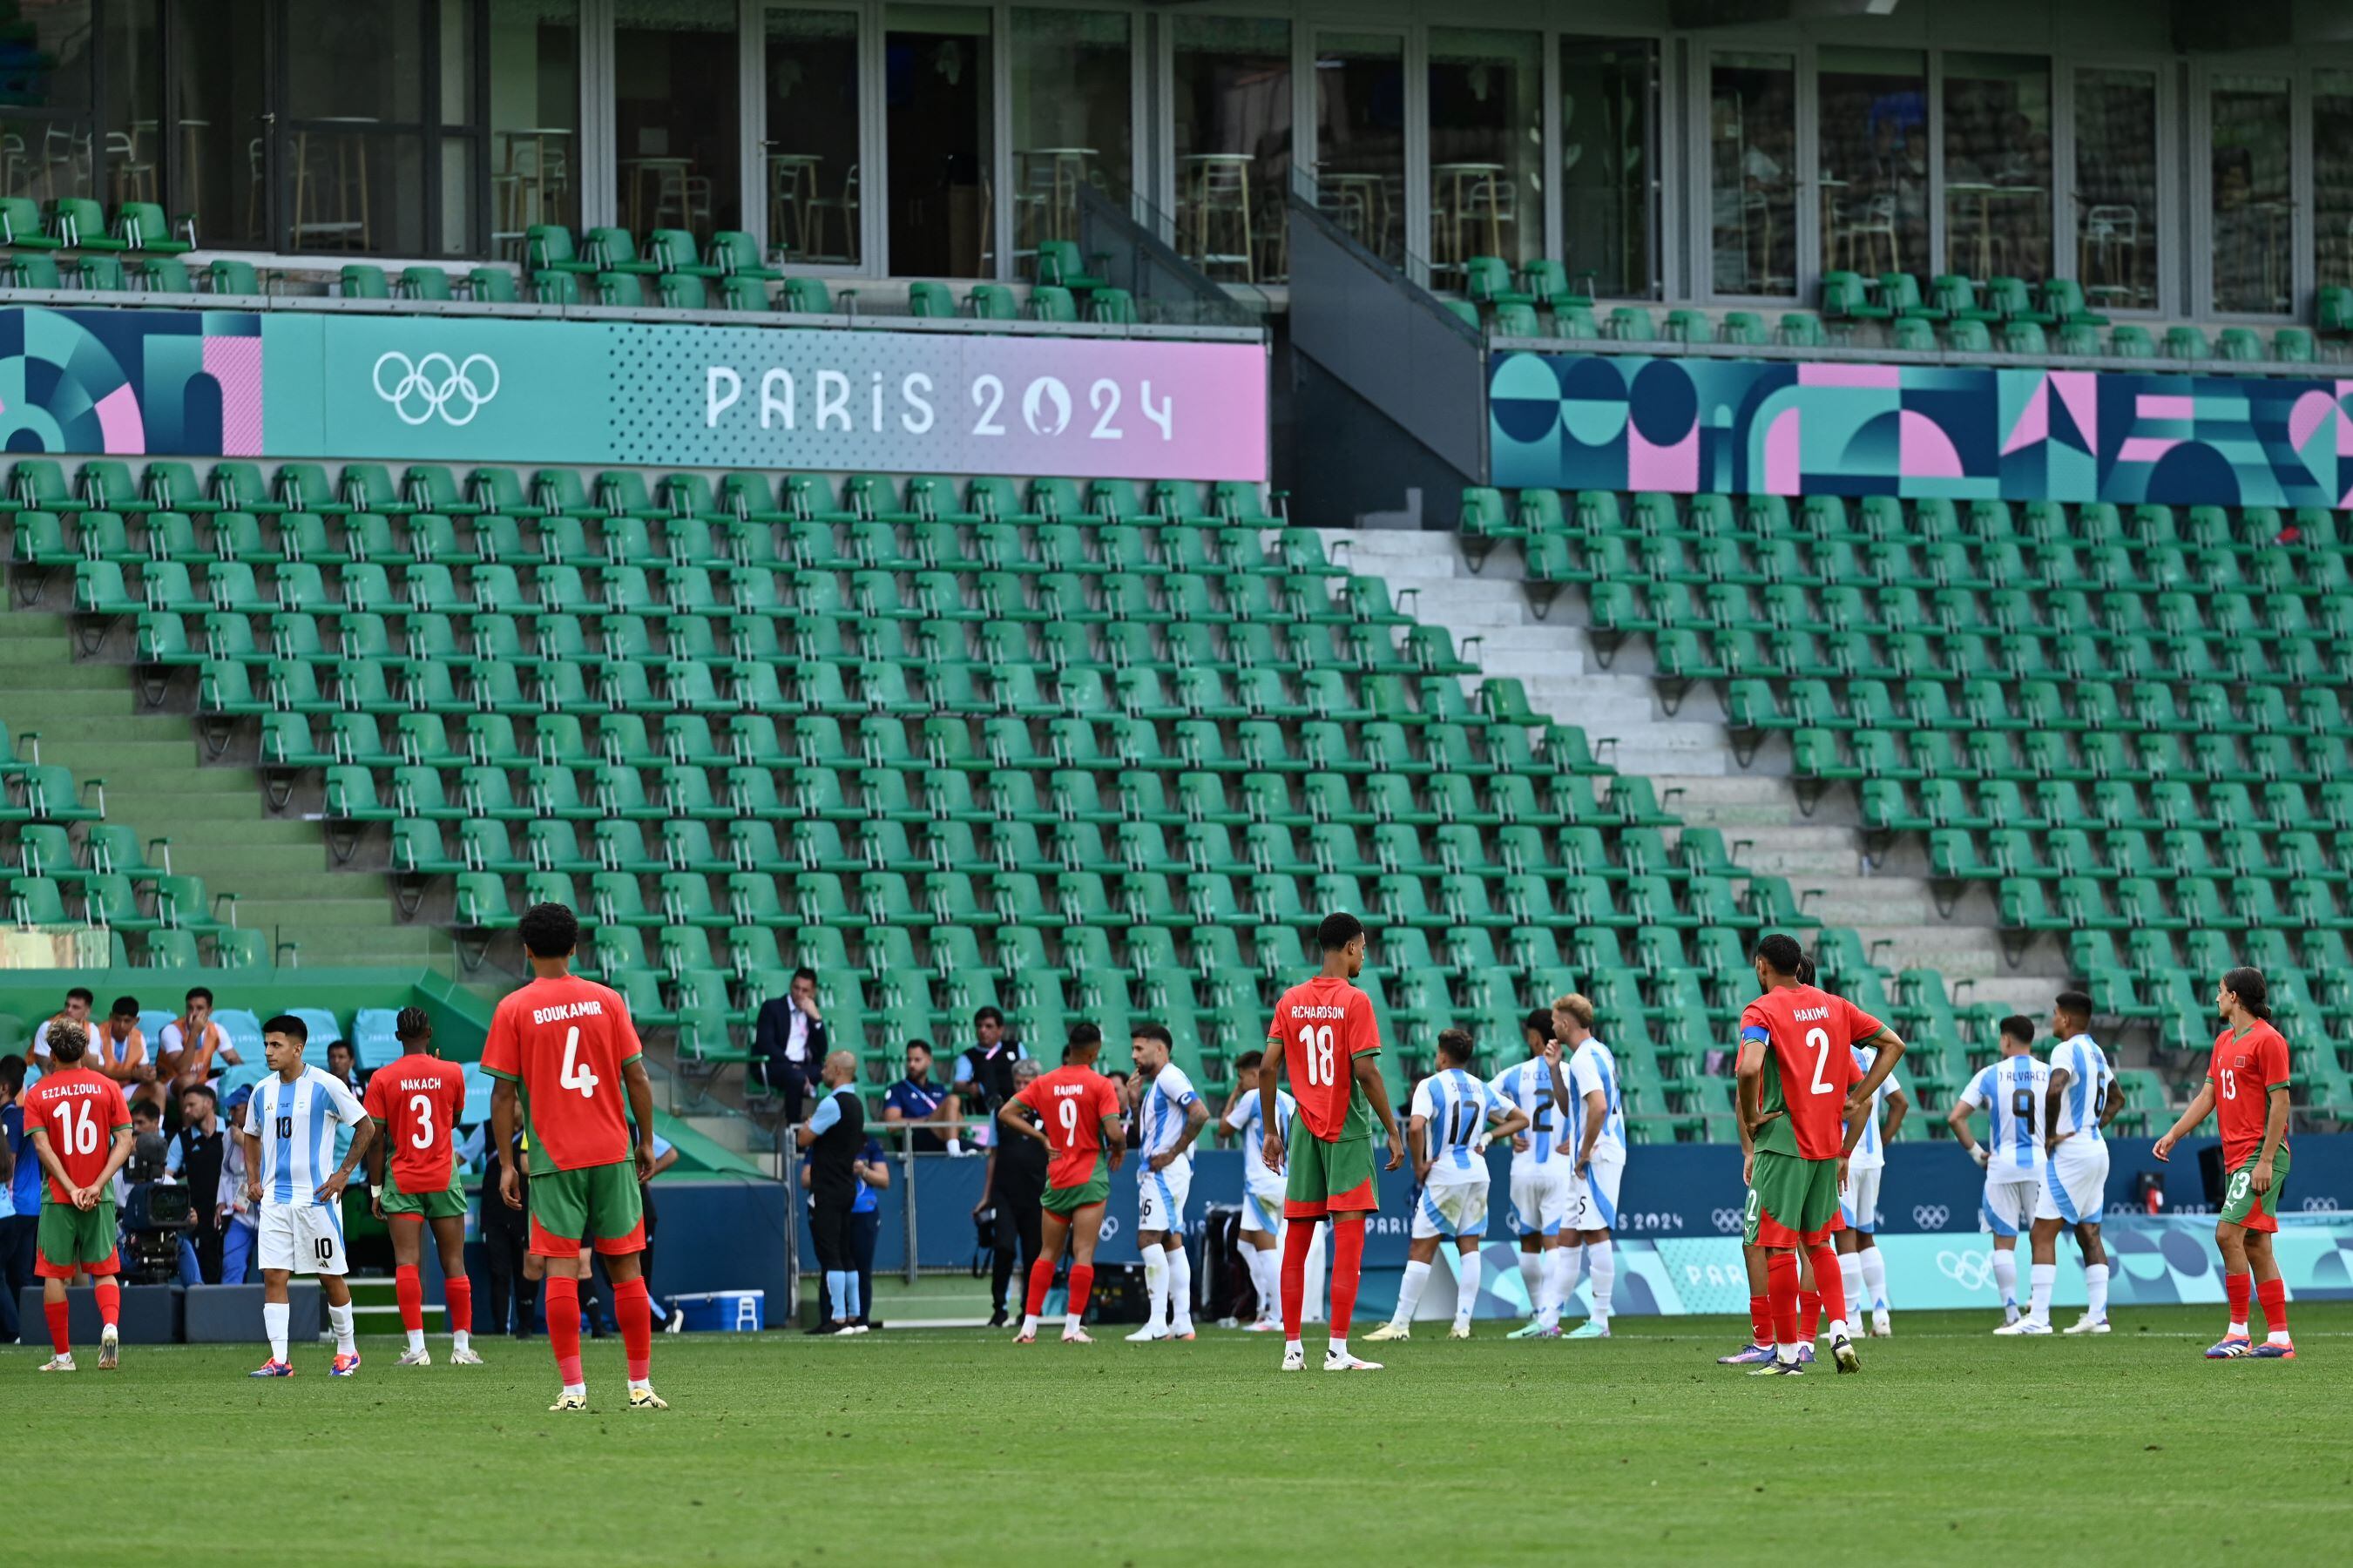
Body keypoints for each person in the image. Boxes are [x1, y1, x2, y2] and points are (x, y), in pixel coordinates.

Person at [485, 901, 666, 1409]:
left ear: (526, 951)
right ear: (573, 947)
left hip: (554, 1161)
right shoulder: (607, 1001)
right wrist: (646, 1140)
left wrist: (505, 1163)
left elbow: (502, 1096)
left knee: (561, 1270)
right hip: (611, 1152)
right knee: (626, 1268)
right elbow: (638, 1075)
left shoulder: (514, 1008)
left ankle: (573, 1391)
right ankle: (640, 1386)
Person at [1736, 932, 1905, 1376]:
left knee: (1776, 1248)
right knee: (1820, 1243)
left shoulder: (1761, 1010)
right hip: (1827, 1145)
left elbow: (1749, 1066)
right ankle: (1841, 1332)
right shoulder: (1836, 1006)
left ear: (1761, 966)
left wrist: (1753, 1117)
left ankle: (1788, 1355)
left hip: (1784, 1143)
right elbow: (1894, 1044)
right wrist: (1857, 1098)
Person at [1261, 911, 1406, 1374]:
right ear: (1349, 948)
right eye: (1363, 947)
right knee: (1348, 1241)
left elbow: (1267, 1068)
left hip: (1303, 1127)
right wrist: (1393, 1128)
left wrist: (1269, 1130)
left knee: (1297, 1240)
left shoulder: (1290, 999)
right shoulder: (1355, 1001)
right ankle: (1337, 1351)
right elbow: (1365, 1070)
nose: (1364, 955)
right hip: (1345, 1128)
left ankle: (1291, 1350)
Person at [2155, 966, 2296, 1360]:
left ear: (2235, 997)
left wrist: (2266, 1160)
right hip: (2237, 1157)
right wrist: (2174, 1133)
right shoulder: (2223, 1043)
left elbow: (2281, 1102)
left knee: (2226, 1235)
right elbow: (2207, 1097)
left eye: (2220, 991)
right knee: (2256, 1244)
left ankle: (2238, 1332)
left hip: (2259, 1155)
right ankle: (2280, 1339)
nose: (2216, 998)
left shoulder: (2269, 1041)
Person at [1369, 1028, 1526, 1342]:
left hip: (1446, 1171)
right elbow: (1521, 1118)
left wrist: (1420, 1164)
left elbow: (1415, 1127)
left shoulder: (1431, 1085)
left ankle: (1400, 1324)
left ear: (1442, 1055)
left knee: (1421, 1246)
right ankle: (1462, 1324)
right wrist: (1489, 1136)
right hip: (1477, 1172)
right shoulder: (1480, 1087)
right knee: (1469, 1245)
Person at [240, 1013, 375, 1377]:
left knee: (329, 1277)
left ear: (297, 1048)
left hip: (316, 1201)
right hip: (274, 1203)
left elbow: (366, 1126)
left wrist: (343, 1174)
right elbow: (250, 1134)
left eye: (276, 1045)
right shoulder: (262, 1090)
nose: (269, 1051)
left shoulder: (325, 1085)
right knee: (273, 1276)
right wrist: (254, 1178)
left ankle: (347, 1351)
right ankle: (280, 1360)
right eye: (266, 1044)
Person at [363, 1007, 479, 1368]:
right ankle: (461, 1348)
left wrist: (375, 1190)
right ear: (429, 1032)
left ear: (398, 1037)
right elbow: (454, 1119)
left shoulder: (382, 1078)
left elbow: (375, 1140)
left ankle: (417, 1350)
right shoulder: (452, 1072)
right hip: (444, 1175)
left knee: (406, 1264)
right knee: (454, 1262)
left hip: (404, 1177)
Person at [999, 1023, 1126, 1344]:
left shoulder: (1045, 1083)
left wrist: (1041, 1137)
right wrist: (1119, 1147)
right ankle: (1071, 1327)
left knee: (1047, 1252)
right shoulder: (1099, 1084)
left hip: (1057, 1178)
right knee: (1082, 1252)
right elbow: (1113, 1133)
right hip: (1089, 1178)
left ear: (1069, 1048)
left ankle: (1028, 1326)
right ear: (1094, 1052)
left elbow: (1006, 1112)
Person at [21, 1020, 135, 1371]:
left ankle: (63, 1356)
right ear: (84, 1051)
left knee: (55, 1275)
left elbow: (42, 1148)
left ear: (52, 1054)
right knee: (104, 1270)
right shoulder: (108, 1087)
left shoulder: (38, 1092)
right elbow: (126, 1141)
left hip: (58, 1198)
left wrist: (70, 1188)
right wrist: (97, 1185)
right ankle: (111, 1326)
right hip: (99, 1197)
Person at [1946, 1015, 2055, 1334]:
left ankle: (2011, 1313)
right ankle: (2038, 1307)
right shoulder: (2049, 1074)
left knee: (2003, 1243)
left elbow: (1956, 1118)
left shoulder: (1990, 1075)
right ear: (2031, 1040)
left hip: (2002, 1167)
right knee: (2043, 1239)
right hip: (2040, 1165)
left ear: (2006, 1040)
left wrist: (1978, 1154)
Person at [1488, 1009, 1573, 1339]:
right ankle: (1549, 1319)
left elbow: (1482, 1098)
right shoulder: (1568, 1072)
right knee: (1554, 1242)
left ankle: (1538, 1313)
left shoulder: (1515, 1074)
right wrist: (1574, 1136)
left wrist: (1510, 1128)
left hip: (1523, 1168)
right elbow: (1595, 1106)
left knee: (1528, 1240)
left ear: (1533, 1038)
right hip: (1557, 1167)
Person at [1124, 1020, 1208, 1343]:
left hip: (1163, 1173)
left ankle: (1158, 1321)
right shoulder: (1158, 1083)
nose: (1133, 1055)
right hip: (1163, 1171)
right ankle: (1183, 1322)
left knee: (1148, 1238)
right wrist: (1134, 1102)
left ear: (1160, 1049)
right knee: (1172, 1240)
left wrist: (1173, 1152)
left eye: (1139, 1048)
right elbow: (1147, 1135)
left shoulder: (1171, 1077)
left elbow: (1199, 1113)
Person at [2045, 989, 2120, 1335]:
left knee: (2040, 1230)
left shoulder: (2065, 1049)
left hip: (2072, 1151)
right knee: (2089, 1231)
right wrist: (2091, 1125)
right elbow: (2118, 1099)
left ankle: (2037, 1317)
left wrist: (2049, 1135)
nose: (2052, 1019)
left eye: (2056, 1014)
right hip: (2095, 1146)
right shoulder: (2096, 1051)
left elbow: (2055, 1089)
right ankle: (2098, 1315)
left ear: (2067, 1018)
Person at [1554, 993, 1627, 1341]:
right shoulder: (1599, 1051)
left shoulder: (1584, 1058)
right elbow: (1577, 1108)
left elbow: (1598, 1107)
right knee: (1568, 1233)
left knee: (1596, 1232)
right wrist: (1554, 1070)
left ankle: (1600, 1319)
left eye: (1556, 1021)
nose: (1553, 1026)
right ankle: (1550, 1317)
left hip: (1596, 1155)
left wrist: (1584, 1151)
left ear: (1566, 1023)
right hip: (1594, 1152)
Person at [1220, 1049, 1307, 1332]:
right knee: (1245, 1244)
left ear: (1255, 1074)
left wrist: (1234, 1095)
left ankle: (1277, 1316)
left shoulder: (1251, 1097)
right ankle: (1264, 1306)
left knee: (1267, 1248)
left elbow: (1223, 1129)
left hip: (1262, 1183)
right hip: (1284, 1181)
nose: (1240, 1082)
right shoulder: (1289, 1100)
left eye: (1241, 1077)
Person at [1836, 1035, 1909, 1338]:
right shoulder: (1871, 1057)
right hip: (1873, 1158)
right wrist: (1883, 1140)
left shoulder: (1834, 1052)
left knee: (1844, 1235)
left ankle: (1852, 1319)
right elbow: (1900, 1103)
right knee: (1866, 1235)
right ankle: (1881, 1314)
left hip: (1844, 1154)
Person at [795, 1050, 868, 1335]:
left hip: (827, 1186)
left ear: (837, 1070)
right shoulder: (857, 1103)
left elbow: (804, 1137)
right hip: (846, 1186)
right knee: (845, 1251)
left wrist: (807, 1124)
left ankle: (838, 1318)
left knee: (831, 1253)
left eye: (826, 1066)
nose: (822, 1071)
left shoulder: (832, 1103)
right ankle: (854, 1315)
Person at [977, 1057, 1048, 1328]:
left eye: (1026, 1082)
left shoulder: (1047, 1112)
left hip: (1037, 1193)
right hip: (1005, 1192)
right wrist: (986, 1195)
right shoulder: (1001, 1112)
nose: (1021, 1086)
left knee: (1033, 1253)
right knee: (1003, 1248)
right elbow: (992, 1156)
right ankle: (999, 1307)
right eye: (1017, 1082)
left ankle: (1029, 1310)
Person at [465, 1117, 531, 1339]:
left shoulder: (533, 1129)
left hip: (524, 1212)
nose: (516, 1106)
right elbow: (464, 1155)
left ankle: (525, 1326)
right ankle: (501, 1328)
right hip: (494, 1213)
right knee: (499, 1273)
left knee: (525, 1272)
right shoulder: (486, 1127)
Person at [165, 1085, 230, 1284]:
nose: (186, 1110)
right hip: (200, 1218)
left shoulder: (231, 1130)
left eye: (191, 1105)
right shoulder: (181, 1139)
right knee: (206, 1272)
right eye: (185, 1106)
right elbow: (166, 1177)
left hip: (232, 1215)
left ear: (209, 1103)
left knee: (233, 1269)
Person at [753, 967, 827, 1123]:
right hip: (778, 1064)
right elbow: (765, 1044)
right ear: (791, 986)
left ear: (813, 993)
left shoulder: (812, 1013)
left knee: (838, 1074)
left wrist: (817, 1019)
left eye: (805, 990)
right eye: (796, 988)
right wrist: (791, 1065)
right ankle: (793, 1129)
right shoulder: (772, 1008)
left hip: (805, 1067)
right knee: (796, 1077)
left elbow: (821, 1051)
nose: (799, 994)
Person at [156, 987, 240, 1098]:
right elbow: (183, 1069)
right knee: (187, 1080)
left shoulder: (217, 1030)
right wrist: (194, 1033)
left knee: (234, 1078)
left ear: (210, 1011)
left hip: (202, 1081)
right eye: (190, 1008)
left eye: (199, 1008)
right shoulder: (171, 1030)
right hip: (170, 1084)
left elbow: (236, 1063)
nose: (193, 1013)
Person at [882, 1040, 961, 1154]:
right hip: (916, 1139)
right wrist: (927, 1121)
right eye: (909, 1060)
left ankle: (954, 1149)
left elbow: (957, 1119)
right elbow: (892, 1124)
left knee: (984, 1151)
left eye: (917, 1060)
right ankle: (955, 1152)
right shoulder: (896, 1090)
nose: (912, 1064)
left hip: (943, 1138)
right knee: (953, 1100)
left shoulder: (939, 1089)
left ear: (929, 1061)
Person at [952, 1007, 1029, 1119]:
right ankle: (996, 1105)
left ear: (1000, 1030)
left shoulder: (1016, 1047)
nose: (983, 1030)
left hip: (1018, 1100)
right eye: (979, 1026)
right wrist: (970, 1088)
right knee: (985, 1066)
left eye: (989, 1026)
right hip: (988, 1109)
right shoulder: (968, 1056)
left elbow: (1029, 1073)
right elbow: (958, 1085)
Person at [215, 1085, 258, 1286]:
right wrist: (221, 1202)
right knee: (232, 1264)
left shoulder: (269, 1129)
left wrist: (245, 1142)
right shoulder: (229, 1135)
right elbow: (226, 1171)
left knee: (270, 1273)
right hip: (241, 1213)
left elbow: (272, 1165)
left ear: (249, 1108)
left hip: (269, 1215)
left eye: (235, 1108)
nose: (231, 1113)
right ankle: (230, 1313)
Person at [91, 996, 163, 1114]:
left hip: (124, 1090)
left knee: (158, 1089)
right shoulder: (97, 1033)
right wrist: (133, 1074)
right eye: (117, 1019)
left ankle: (156, 1129)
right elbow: (98, 1072)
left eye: (127, 1021)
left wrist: (149, 1074)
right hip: (101, 1090)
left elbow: (143, 1069)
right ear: (110, 1017)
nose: (121, 1025)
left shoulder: (138, 1037)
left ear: (136, 1021)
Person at [847, 1131, 886, 1330]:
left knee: (862, 1267)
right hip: (838, 1210)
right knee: (838, 1265)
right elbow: (807, 1177)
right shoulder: (829, 1143)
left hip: (865, 1211)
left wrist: (863, 1171)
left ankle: (862, 1317)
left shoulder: (869, 1145)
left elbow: (884, 1180)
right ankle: (837, 1316)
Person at [30, 986, 95, 1064]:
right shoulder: (48, 1027)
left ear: (87, 1011)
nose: (69, 1010)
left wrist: (81, 1036)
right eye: (67, 1005)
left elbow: (94, 1067)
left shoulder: (92, 1030)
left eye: (75, 1007)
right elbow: (46, 1067)